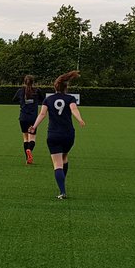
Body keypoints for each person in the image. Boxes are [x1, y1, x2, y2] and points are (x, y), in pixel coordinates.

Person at [28, 70, 85, 200]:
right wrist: (80, 119)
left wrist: (34, 126)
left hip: (53, 135)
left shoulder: (48, 100)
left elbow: (42, 114)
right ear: (66, 87)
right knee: (64, 157)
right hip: (68, 135)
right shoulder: (70, 98)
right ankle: (63, 182)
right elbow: (74, 109)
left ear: (55, 87)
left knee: (57, 164)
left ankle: (62, 191)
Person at [13, 75, 46, 164]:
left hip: (23, 118)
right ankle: (29, 150)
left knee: (25, 138)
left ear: (24, 82)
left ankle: (27, 159)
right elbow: (43, 100)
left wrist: (22, 102)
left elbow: (14, 99)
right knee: (32, 138)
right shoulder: (37, 91)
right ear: (33, 82)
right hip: (33, 118)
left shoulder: (20, 91)